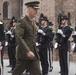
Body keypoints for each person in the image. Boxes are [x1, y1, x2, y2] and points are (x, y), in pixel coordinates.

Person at [12, 1, 41, 75]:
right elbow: (19, 37)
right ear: (29, 9)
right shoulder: (22, 21)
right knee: (17, 72)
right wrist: (27, 51)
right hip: (24, 54)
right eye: (35, 9)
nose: (36, 11)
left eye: (37, 10)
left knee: (37, 72)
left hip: (33, 53)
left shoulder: (33, 22)